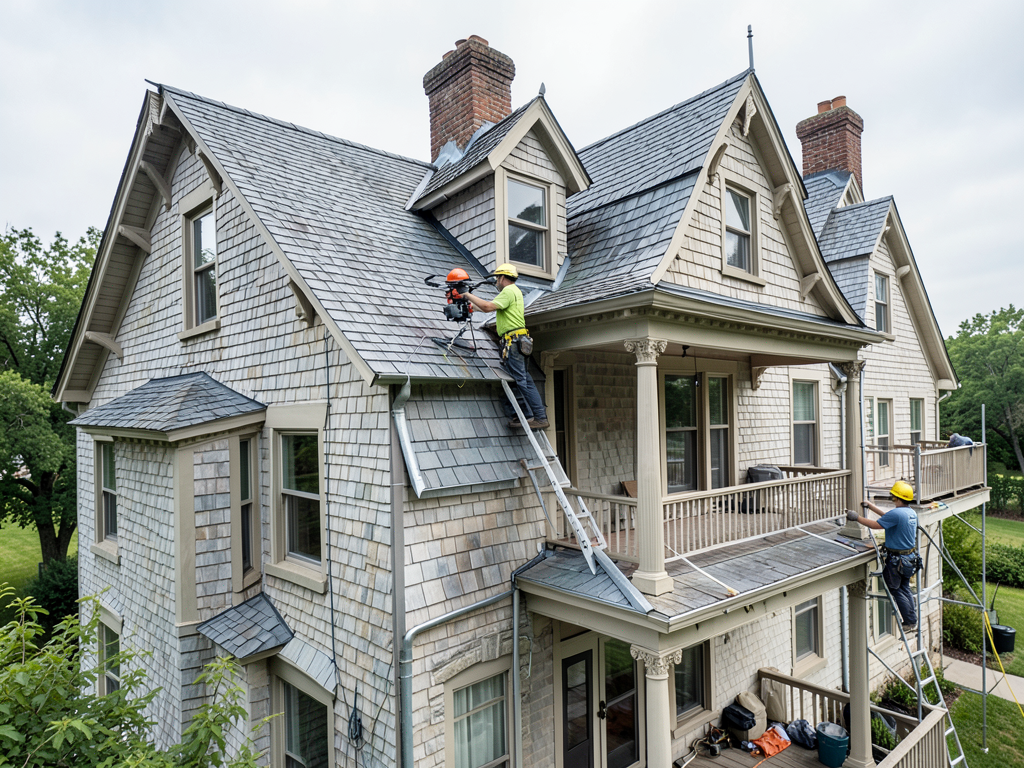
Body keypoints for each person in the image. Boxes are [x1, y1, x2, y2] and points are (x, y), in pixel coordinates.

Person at [464, 263, 549, 430]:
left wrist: (466, 294)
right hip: (519, 342)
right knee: (523, 380)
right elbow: (486, 307)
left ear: (502, 277)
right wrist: (468, 305)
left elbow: (487, 307)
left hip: (514, 343)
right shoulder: (514, 292)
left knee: (521, 382)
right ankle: (525, 415)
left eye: (497, 278)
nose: (496, 281)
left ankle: (538, 417)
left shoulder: (509, 291)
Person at [846, 480, 920, 630]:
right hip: (910, 559)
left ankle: (909, 621)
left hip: (897, 561)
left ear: (898, 498)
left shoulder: (897, 514)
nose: (893, 500)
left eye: (893, 498)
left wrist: (856, 518)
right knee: (905, 588)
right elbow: (889, 517)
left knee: (896, 590)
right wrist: (871, 506)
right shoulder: (910, 513)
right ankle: (912, 619)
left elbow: (876, 525)